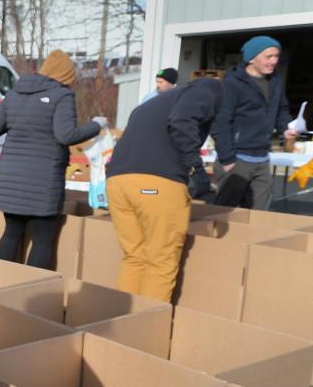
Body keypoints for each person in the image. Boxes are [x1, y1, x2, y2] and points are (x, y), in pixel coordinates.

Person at [0, 50, 103, 269]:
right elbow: (66, 135)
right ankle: (33, 293)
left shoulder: (15, 93)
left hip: (11, 181)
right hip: (43, 182)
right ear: (66, 75)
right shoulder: (62, 95)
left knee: (11, 234)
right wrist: (96, 125)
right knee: (42, 241)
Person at [105, 78, 224, 303]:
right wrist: (196, 169)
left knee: (135, 257)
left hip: (118, 182)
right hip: (156, 184)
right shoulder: (207, 90)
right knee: (161, 261)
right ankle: (148, 328)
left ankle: (121, 322)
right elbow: (182, 121)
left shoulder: (152, 104)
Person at [212, 35, 296, 210]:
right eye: (268, 56)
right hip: (236, 159)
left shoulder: (275, 80)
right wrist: (227, 159)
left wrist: (286, 128)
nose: (274, 61)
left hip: (262, 158)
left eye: (276, 56)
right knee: (224, 213)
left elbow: (281, 109)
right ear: (251, 58)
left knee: (259, 213)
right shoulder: (231, 84)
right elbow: (221, 122)